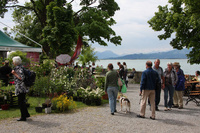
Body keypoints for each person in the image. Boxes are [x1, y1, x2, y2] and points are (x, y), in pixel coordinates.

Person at [11, 56, 30, 121]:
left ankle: (23, 117)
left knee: (21, 102)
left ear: (15, 62)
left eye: (13, 61)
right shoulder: (22, 67)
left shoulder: (18, 68)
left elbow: (21, 78)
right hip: (23, 87)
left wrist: (14, 73)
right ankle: (26, 114)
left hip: (20, 87)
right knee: (23, 101)